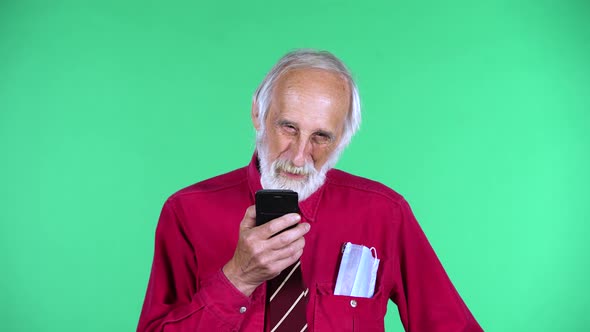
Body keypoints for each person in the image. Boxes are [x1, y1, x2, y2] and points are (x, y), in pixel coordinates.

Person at [137, 49, 483, 332]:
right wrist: (238, 278)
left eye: (321, 137)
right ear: (258, 113)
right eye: (288, 127)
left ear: (343, 139)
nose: (300, 156)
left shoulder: (383, 213)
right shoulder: (187, 211)